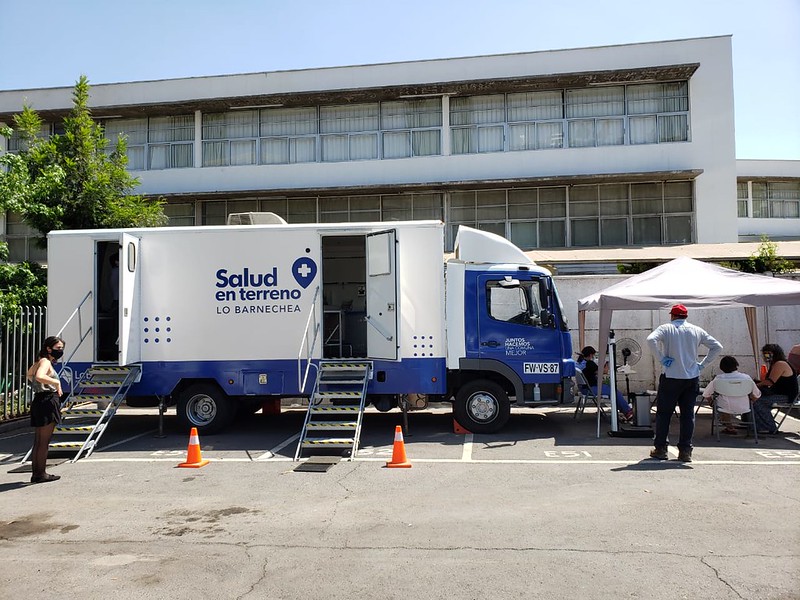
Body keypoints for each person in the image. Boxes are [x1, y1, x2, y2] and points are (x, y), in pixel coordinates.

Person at [646, 304, 723, 462]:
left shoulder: (666, 328)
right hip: (691, 376)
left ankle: (661, 448)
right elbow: (717, 347)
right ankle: (685, 450)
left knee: (664, 414)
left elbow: (651, 339)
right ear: (686, 316)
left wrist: (661, 358)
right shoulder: (696, 330)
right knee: (688, 415)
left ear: (672, 315)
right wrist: (702, 364)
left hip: (671, 375)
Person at [26, 336, 65, 484]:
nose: (60, 351)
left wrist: (40, 385)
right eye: (58, 348)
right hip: (47, 400)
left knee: (38, 441)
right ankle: (41, 474)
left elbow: (30, 374)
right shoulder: (45, 361)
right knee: (43, 442)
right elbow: (39, 376)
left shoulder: (38, 362)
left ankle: (36, 474)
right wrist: (56, 382)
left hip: (39, 400)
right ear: (49, 348)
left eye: (61, 348)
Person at [702, 355, 760, 434]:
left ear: (722, 367)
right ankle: (733, 427)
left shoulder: (719, 379)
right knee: (724, 403)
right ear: (736, 365)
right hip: (745, 407)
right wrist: (751, 402)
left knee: (720, 403)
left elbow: (706, 393)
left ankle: (729, 426)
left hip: (724, 407)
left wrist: (711, 402)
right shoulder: (746, 378)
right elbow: (757, 394)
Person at [576, 346, 634, 422]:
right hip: (591, 389)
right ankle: (627, 411)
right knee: (614, 392)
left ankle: (624, 410)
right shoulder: (590, 363)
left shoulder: (580, 363)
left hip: (584, 388)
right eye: (593, 355)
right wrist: (606, 362)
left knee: (612, 391)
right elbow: (604, 371)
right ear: (591, 355)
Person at [751, 344, 798, 434]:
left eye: (768, 353)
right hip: (779, 393)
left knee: (758, 401)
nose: (766, 356)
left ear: (775, 353)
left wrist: (756, 385)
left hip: (786, 396)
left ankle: (770, 427)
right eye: (765, 354)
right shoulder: (775, 364)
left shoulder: (780, 364)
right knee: (754, 398)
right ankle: (757, 425)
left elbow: (770, 382)